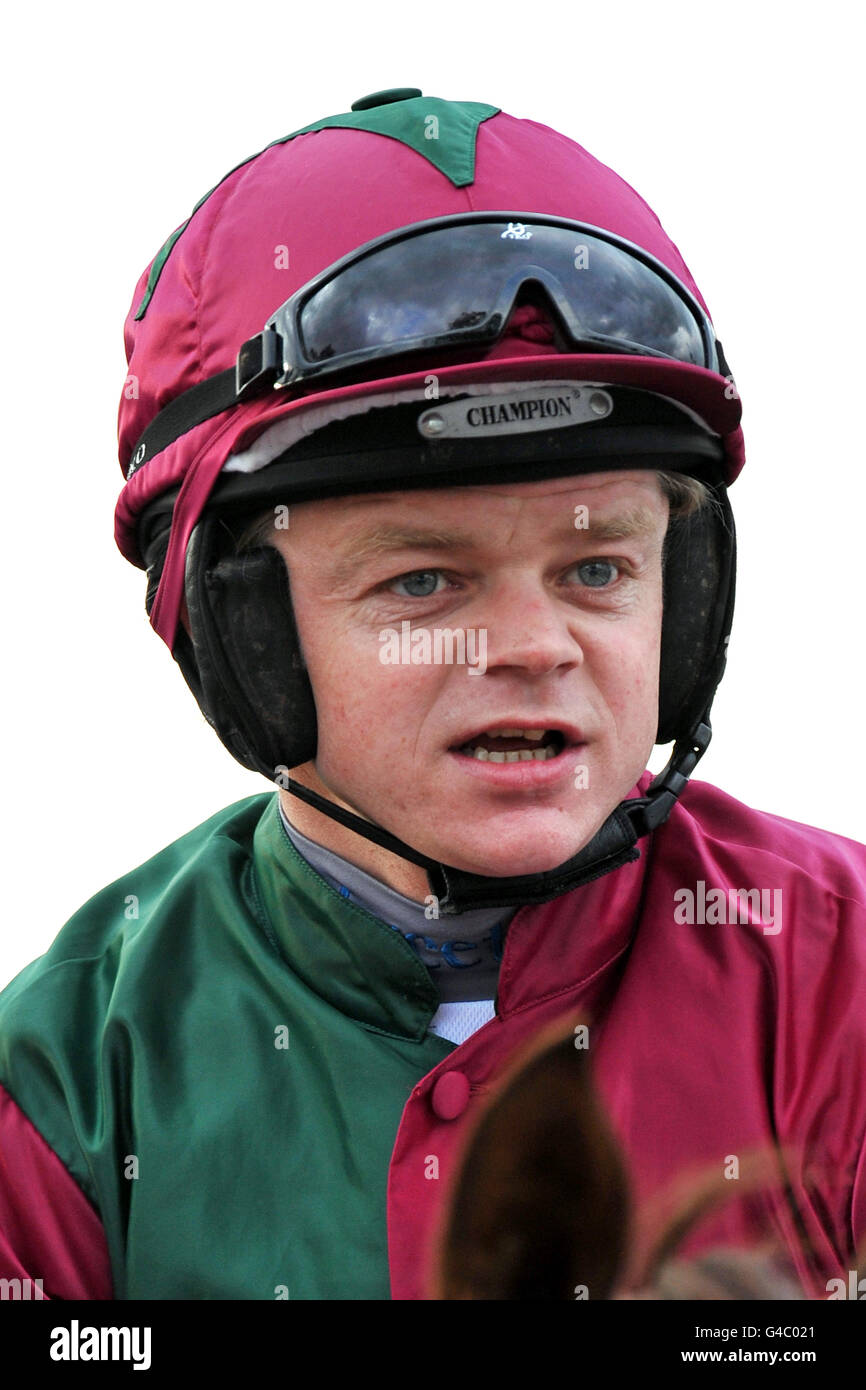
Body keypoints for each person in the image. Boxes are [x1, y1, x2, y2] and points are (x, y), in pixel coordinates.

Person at [0, 87, 864, 1302]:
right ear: (239, 638)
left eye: (598, 565)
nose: (532, 645)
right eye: (421, 580)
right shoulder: (59, 1088)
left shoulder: (843, 981)